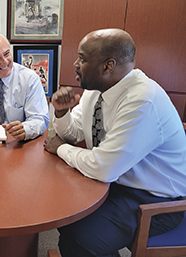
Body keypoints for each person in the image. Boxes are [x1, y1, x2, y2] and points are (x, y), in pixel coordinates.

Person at [44, 28, 186, 256]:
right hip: (116, 184)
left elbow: (103, 167)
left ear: (107, 66)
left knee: (83, 237)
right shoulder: (98, 90)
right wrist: (61, 113)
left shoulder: (142, 101)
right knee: (63, 215)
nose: (75, 64)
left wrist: (60, 148)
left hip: (154, 200)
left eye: (82, 58)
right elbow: (74, 133)